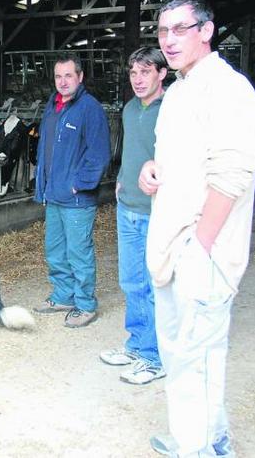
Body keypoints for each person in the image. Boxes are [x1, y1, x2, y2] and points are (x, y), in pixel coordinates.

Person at [139, 0, 255, 457]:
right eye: (164, 31)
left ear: (206, 30)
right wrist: (152, 169)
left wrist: (201, 246)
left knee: (199, 352)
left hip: (201, 247)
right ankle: (206, 436)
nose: (169, 40)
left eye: (180, 29)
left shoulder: (228, 88)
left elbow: (233, 173)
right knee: (178, 350)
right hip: (171, 242)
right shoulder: (180, 91)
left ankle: (200, 448)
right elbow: (177, 159)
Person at [99, 47, 167, 385]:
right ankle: (138, 345)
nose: (138, 79)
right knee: (131, 280)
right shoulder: (128, 109)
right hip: (128, 207)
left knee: (157, 284)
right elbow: (131, 152)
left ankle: (156, 357)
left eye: (145, 72)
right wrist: (123, 179)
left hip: (158, 211)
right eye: (133, 73)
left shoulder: (171, 109)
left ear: (161, 74)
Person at [33, 53, 111, 328]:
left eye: (68, 75)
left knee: (78, 252)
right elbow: (45, 149)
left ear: (80, 77)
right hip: (53, 195)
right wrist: (42, 185)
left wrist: (79, 184)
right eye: (58, 76)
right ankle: (63, 295)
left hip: (77, 198)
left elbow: (99, 153)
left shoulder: (90, 108)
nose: (63, 81)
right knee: (55, 250)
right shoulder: (52, 107)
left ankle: (85, 304)